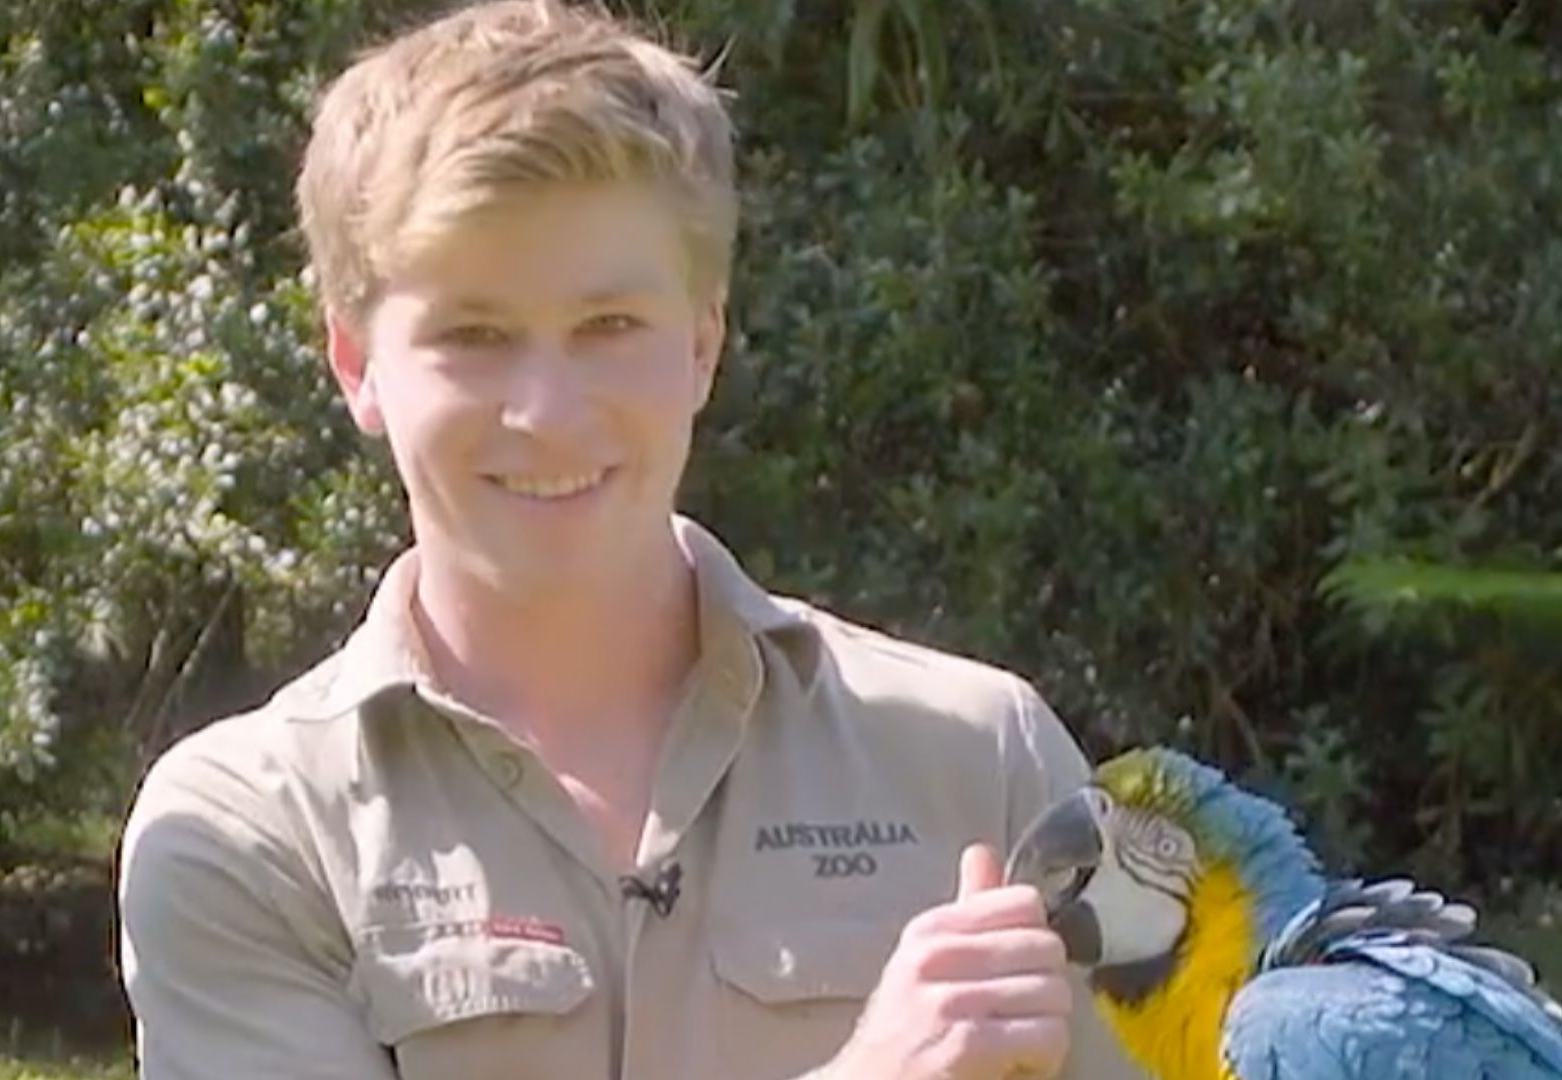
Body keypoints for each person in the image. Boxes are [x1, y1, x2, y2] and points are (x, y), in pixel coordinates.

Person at [115, 2, 1146, 1077]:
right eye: (475, 336)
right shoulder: (246, 832)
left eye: (609, 327)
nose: (548, 412)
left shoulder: (980, 758)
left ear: (703, 344)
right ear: (356, 363)